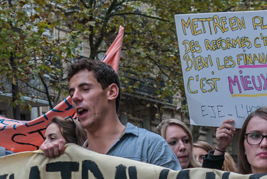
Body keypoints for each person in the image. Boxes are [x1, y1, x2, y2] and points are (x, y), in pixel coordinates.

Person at [40, 59, 181, 170]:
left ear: (112, 92)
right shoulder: (70, 158)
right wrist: (47, 160)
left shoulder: (151, 148)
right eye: (71, 93)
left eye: (85, 89)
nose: (75, 98)